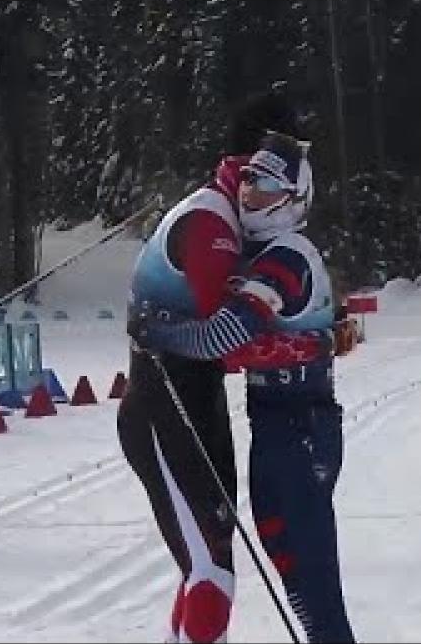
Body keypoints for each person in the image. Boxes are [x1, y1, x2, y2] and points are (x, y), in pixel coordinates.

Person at [117, 92, 333, 643]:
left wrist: (319, 330)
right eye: (253, 175)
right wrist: (312, 344)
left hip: (195, 401)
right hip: (163, 403)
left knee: (208, 563)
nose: (254, 190)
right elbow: (224, 340)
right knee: (213, 570)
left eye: (268, 181)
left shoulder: (235, 220)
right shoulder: (212, 224)